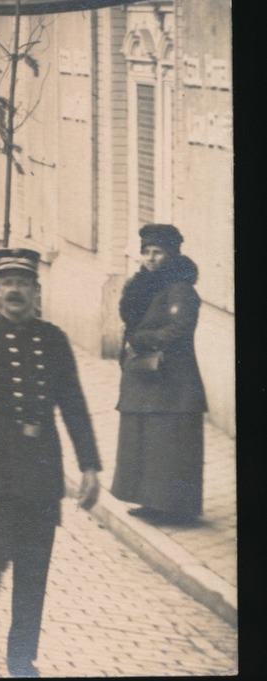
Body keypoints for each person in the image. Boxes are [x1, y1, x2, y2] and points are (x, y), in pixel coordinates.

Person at [0, 247, 101, 678]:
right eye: (7, 282)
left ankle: (22, 658)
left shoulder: (54, 340)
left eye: (24, 283)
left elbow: (73, 404)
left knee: (34, 566)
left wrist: (89, 465)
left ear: (36, 290)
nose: (15, 290)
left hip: (42, 468)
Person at [110, 224, 206, 523]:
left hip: (172, 379)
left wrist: (141, 340)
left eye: (158, 253)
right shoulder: (142, 286)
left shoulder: (180, 288)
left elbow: (179, 329)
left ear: (172, 255)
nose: (151, 258)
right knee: (147, 440)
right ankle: (150, 502)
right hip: (147, 375)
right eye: (146, 252)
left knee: (168, 443)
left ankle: (174, 508)